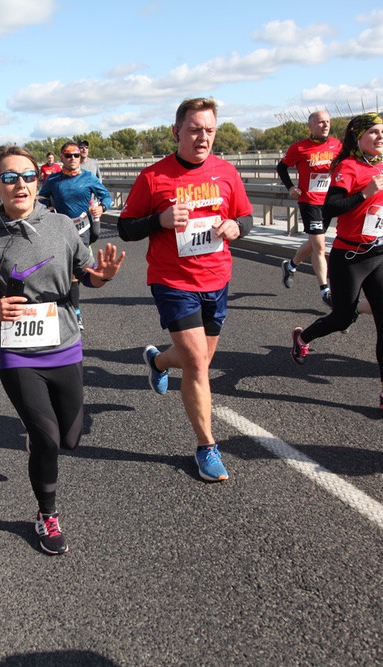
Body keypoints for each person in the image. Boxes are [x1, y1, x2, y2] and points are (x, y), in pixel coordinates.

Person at [0, 146, 124, 555]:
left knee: (70, 439)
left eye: (28, 176)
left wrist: (103, 277)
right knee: (48, 438)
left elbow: (86, 276)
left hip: (64, 344)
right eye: (9, 178)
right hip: (17, 353)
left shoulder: (62, 226)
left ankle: (40, 440)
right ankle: (46, 513)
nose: (20, 184)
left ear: (38, 182)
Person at [117, 97, 253, 483]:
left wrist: (238, 227)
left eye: (209, 130)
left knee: (200, 360)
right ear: (177, 132)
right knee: (195, 363)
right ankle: (206, 446)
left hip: (217, 279)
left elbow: (246, 216)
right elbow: (125, 227)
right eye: (194, 130)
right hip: (172, 281)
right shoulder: (153, 177)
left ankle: (159, 361)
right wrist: (158, 220)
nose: (202, 137)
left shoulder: (226, 172)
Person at [289, 113, 383, 410]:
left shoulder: (380, 166)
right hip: (350, 258)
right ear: (358, 137)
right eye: (373, 132)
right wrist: (366, 193)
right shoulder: (348, 166)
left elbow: (376, 206)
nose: (380, 137)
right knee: (342, 318)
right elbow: (331, 207)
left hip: (380, 254)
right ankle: (303, 337)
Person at [38, 141, 111, 329]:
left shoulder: (88, 177)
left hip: (82, 229)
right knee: (67, 272)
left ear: (80, 157)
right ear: (61, 157)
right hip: (61, 230)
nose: (73, 158)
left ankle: (74, 311)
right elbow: (41, 199)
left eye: (76, 155)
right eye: (68, 155)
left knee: (75, 272)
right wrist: (46, 210)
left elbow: (106, 197)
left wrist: (101, 208)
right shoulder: (53, 180)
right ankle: (73, 311)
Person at [277, 111, 342, 305]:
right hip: (309, 201)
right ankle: (325, 291)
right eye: (321, 122)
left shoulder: (337, 145)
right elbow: (281, 167)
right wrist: (291, 187)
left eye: (328, 122)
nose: (325, 125)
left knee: (315, 242)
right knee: (320, 246)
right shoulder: (299, 148)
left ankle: (290, 265)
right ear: (311, 126)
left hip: (328, 201)